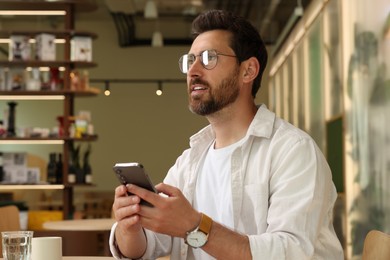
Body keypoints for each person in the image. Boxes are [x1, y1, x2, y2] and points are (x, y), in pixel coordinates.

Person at [109, 9, 344, 260]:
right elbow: (148, 245)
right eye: (190, 60)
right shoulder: (190, 162)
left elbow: (289, 252)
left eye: (209, 58)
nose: (194, 70)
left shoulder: (293, 151)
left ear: (248, 70)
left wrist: (195, 226)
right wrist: (129, 226)